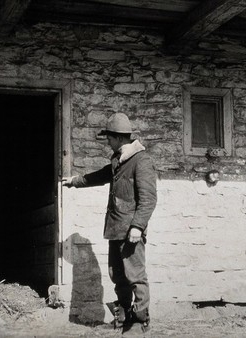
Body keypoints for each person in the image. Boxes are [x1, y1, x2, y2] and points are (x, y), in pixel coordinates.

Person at [62, 113, 157, 335]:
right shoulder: (118, 160)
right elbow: (99, 176)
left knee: (135, 276)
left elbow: (148, 199)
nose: (107, 142)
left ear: (119, 138)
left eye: (109, 138)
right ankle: (123, 317)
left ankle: (140, 321)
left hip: (131, 231)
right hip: (115, 228)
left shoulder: (141, 161)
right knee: (118, 275)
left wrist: (137, 226)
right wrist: (74, 182)